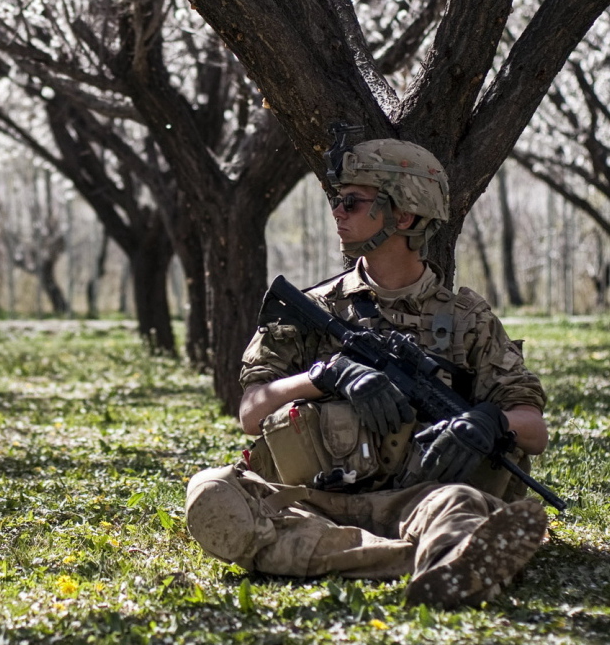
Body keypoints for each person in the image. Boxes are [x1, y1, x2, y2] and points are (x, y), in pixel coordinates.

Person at [185, 138, 551, 608]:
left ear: (404, 216)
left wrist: (492, 421)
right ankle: (435, 561)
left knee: (458, 506)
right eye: (338, 201)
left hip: (422, 499)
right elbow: (252, 413)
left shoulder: (466, 319)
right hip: (313, 501)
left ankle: (445, 550)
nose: (338, 211)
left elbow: (534, 431)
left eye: (352, 202)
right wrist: (325, 376)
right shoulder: (312, 310)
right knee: (211, 493)